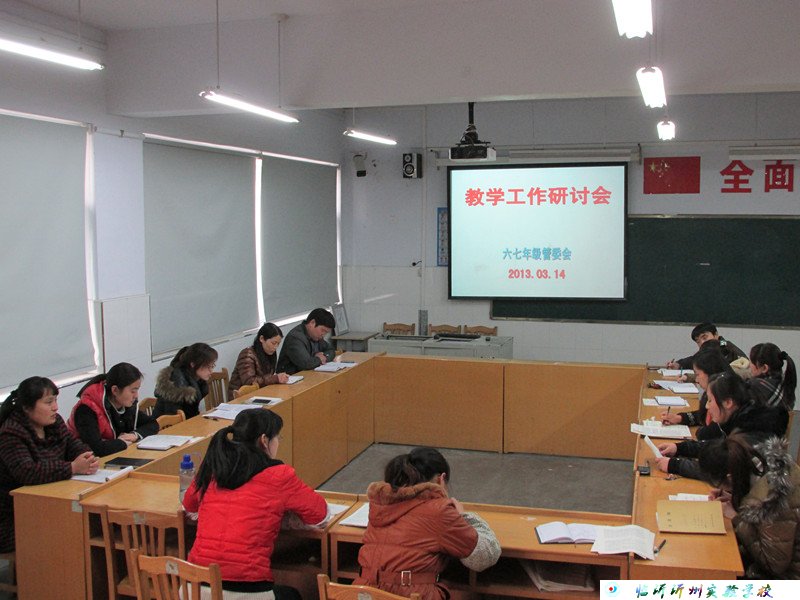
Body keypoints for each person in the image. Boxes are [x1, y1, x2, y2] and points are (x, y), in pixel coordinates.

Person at [182, 409, 326, 599]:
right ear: (264, 440)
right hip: (245, 590)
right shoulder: (278, 475)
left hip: (194, 587)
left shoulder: (215, 466)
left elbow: (189, 504)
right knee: (292, 595)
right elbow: (319, 513)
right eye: (277, 438)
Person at [354, 447, 501, 600]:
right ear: (440, 479)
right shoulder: (439, 510)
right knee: (474, 595)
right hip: (410, 595)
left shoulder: (379, 504)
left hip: (362, 593)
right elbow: (483, 557)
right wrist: (464, 516)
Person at [0, 376, 98, 552]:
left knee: (91, 521)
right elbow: (27, 472)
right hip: (14, 516)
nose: (55, 407)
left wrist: (86, 457)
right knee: (70, 529)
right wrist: (72, 467)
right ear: (26, 407)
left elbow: (72, 444)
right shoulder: (11, 433)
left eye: (55, 400)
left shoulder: (55, 422)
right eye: (48, 402)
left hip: (50, 502)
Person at [699, 433, 800, 579]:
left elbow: (773, 564)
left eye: (718, 484)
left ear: (730, 477)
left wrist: (737, 518)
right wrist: (736, 499)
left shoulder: (774, 498)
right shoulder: (761, 467)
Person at [656, 372, 788, 480]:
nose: (707, 406)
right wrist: (679, 448)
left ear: (728, 403)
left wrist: (675, 465)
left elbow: (719, 471)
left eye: (710, 400)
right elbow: (717, 447)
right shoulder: (741, 419)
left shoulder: (747, 433)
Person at [68, 362, 159, 457]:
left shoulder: (125, 405)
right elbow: (96, 448)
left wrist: (134, 435)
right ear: (115, 390)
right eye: (133, 391)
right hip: (81, 460)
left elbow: (152, 424)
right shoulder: (86, 409)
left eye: (137, 390)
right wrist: (121, 443)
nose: (136, 396)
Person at [660, 346, 731, 432]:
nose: (696, 380)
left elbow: (714, 432)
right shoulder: (715, 390)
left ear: (710, 372)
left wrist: (700, 433)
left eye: (697, 374)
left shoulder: (725, 398)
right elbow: (702, 415)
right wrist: (679, 418)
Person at [153, 343, 218, 419]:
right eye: (208, 367)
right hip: (166, 425)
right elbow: (173, 418)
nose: (211, 371)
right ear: (193, 364)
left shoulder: (197, 379)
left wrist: (203, 415)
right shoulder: (176, 382)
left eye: (212, 366)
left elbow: (191, 413)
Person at [229, 323, 289, 397]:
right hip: (239, 397)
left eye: (278, 344)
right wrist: (275, 378)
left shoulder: (270, 353)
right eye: (273, 343)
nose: (275, 347)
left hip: (260, 393)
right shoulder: (247, 354)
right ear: (262, 339)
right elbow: (249, 382)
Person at [276, 308, 336, 375]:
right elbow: (306, 364)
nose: (323, 335)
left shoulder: (316, 336)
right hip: (291, 378)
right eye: (323, 330)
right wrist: (318, 359)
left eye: (326, 332)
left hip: (308, 375)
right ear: (312, 323)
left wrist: (324, 356)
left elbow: (331, 350)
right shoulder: (295, 337)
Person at [667, 322, 746, 370]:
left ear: (716, 335)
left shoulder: (725, 346)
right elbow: (695, 359)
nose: (702, 343)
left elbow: (716, 373)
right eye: (698, 341)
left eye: (705, 338)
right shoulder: (712, 348)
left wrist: (688, 377)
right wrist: (678, 364)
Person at [748, 343, 797, 410]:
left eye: (751, 362)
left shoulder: (754, 386)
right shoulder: (785, 383)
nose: (749, 365)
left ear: (764, 368)